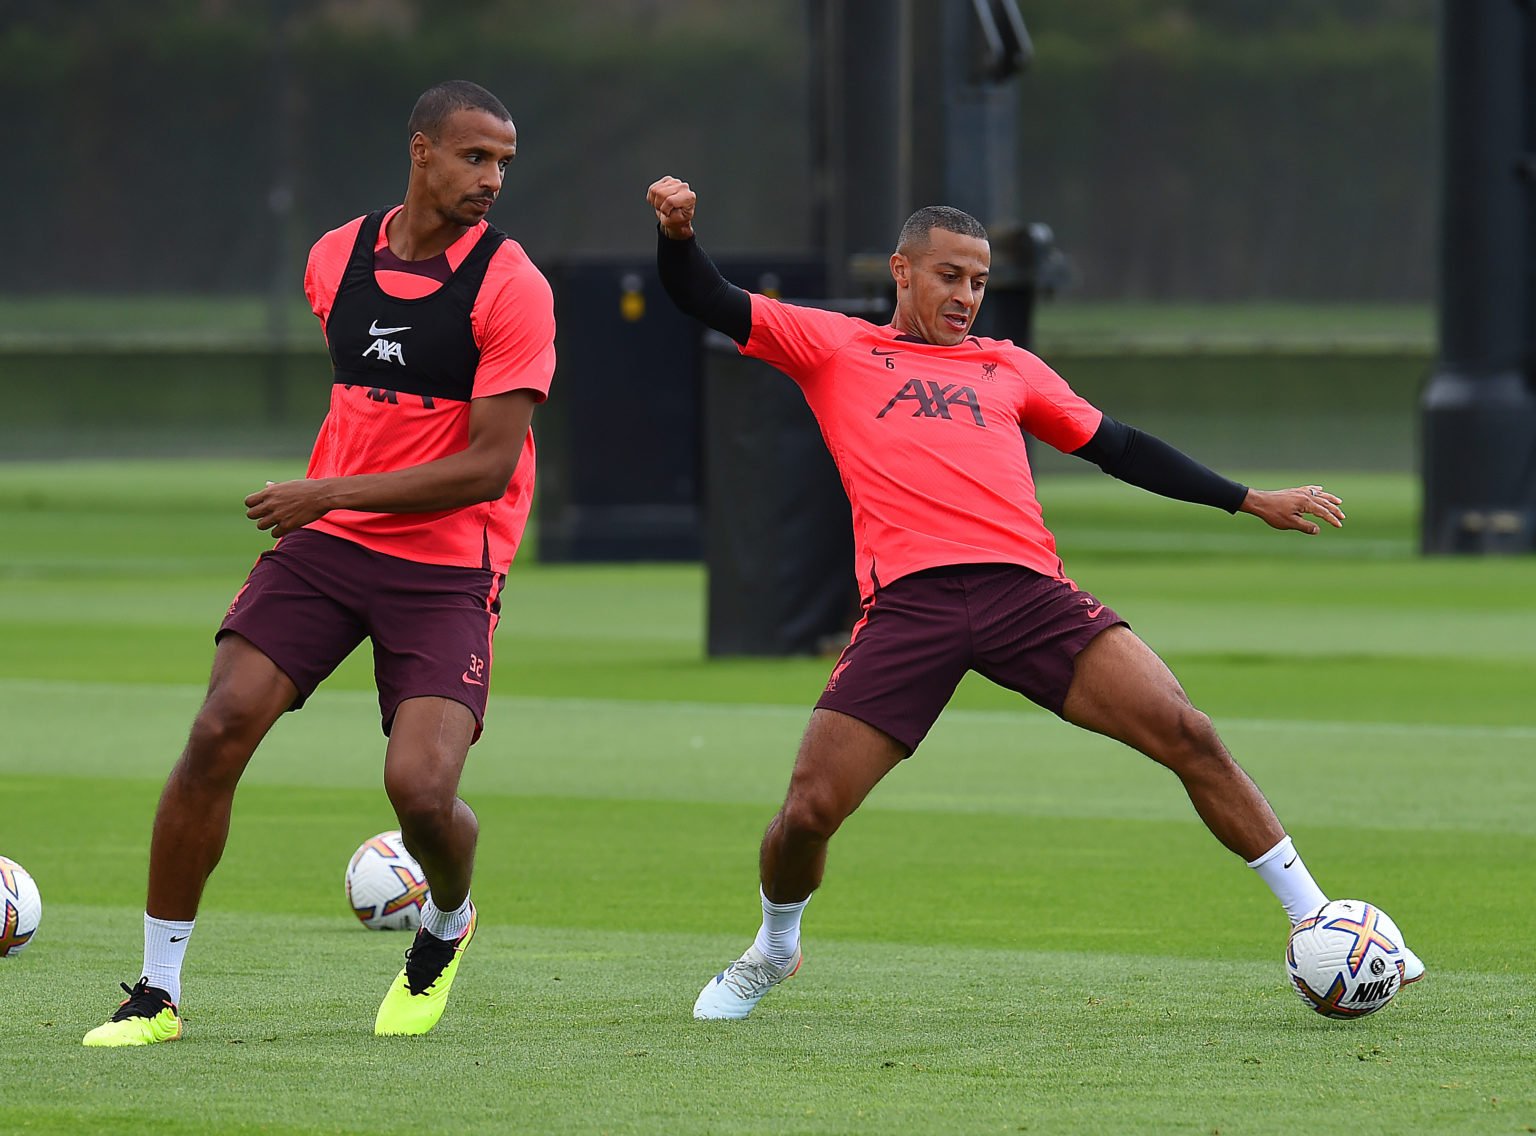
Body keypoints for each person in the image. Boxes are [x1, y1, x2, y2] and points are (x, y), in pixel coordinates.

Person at [645, 175, 1425, 1021]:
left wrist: (1246, 498)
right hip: (913, 608)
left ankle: (1318, 917)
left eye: (978, 281)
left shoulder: (1007, 365)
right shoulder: (835, 347)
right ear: (902, 272)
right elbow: (705, 296)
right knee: (808, 813)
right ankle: (775, 947)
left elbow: (1121, 448)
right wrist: (679, 236)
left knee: (1188, 733)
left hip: (1031, 596)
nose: (967, 295)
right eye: (949, 276)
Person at [83, 81, 556, 1046]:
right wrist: (334, 501)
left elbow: (487, 467)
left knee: (421, 791)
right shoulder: (333, 258)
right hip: (329, 551)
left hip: (446, 563)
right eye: (475, 157)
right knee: (219, 729)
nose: (492, 178)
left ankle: (448, 920)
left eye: (504, 162)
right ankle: (156, 994)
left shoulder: (513, 285)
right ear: (420, 151)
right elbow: (370, 398)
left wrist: (329, 490)